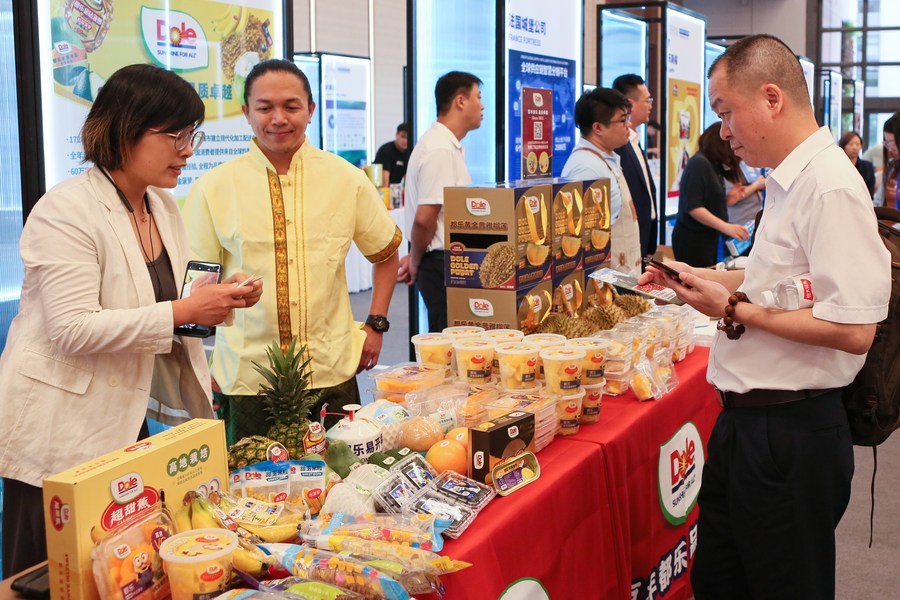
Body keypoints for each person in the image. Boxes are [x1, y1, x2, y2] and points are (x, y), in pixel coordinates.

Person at [640, 34, 891, 599]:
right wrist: (693, 278)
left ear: (771, 98)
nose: (724, 130)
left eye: (727, 112)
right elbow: (767, 278)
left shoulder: (829, 187)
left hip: (792, 430)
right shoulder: (787, 182)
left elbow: (854, 330)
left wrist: (734, 308)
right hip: (746, 423)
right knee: (723, 581)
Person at [0, 64, 261, 577]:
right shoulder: (66, 210)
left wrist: (217, 300)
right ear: (125, 130)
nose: (188, 150)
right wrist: (184, 310)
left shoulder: (161, 205)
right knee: (48, 574)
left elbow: (162, 306)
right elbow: (72, 329)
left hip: (125, 418)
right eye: (175, 135)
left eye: (192, 135)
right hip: (58, 426)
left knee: (119, 567)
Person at [183, 59, 401, 442]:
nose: (278, 118)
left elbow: (385, 252)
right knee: (250, 479)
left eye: (291, 106)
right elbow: (195, 287)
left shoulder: (345, 179)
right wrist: (203, 364)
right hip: (247, 376)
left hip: (330, 369)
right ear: (246, 112)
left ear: (311, 110)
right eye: (265, 107)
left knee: (340, 473)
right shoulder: (214, 187)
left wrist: (376, 323)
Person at [398, 71, 483, 331]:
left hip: (442, 260)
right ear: (460, 101)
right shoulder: (440, 149)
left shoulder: (445, 145)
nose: (482, 106)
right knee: (447, 340)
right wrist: (415, 260)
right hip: (440, 263)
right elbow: (425, 219)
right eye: (478, 97)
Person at [561, 87, 642, 276]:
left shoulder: (605, 158)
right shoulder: (586, 168)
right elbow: (583, 240)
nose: (629, 125)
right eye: (622, 120)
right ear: (598, 128)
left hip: (625, 273)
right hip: (609, 280)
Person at [672, 122, 750, 267]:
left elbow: (706, 201)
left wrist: (727, 199)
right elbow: (694, 207)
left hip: (707, 238)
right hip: (693, 240)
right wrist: (726, 227)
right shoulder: (699, 163)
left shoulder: (712, 165)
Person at [612, 74, 658, 258]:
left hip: (644, 237)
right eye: (648, 100)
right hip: (628, 242)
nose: (650, 106)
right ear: (631, 104)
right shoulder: (618, 146)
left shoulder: (635, 140)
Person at [839, 131, 876, 198]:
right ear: (843, 146)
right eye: (851, 144)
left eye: (857, 144)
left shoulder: (867, 166)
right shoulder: (839, 166)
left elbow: (870, 191)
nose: (854, 147)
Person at [875, 113, 900, 208]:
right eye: (887, 143)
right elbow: (878, 202)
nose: (890, 149)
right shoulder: (892, 167)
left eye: (893, 143)